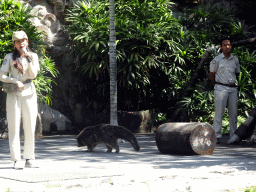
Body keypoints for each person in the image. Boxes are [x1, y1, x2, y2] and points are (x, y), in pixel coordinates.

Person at [0, 31, 40, 169]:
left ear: (27, 41)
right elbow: (2, 76)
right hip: (14, 94)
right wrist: (15, 81)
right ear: (14, 43)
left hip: (29, 92)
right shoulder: (10, 57)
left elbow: (34, 75)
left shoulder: (33, 56)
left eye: (23, 40)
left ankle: (29, 157)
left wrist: (29, 59)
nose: (20, 43)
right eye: (17, 41)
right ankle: (16, 159)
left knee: (30, 126)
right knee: (14, 126)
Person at [209, 37, 241, 144]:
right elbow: (211, 74)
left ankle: (233, 136)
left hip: (232, 88)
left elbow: (237, 72)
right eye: (225, 45)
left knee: (233, 114)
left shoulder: (235, 59)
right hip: (220, 88)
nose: (227, 47)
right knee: (219, 113)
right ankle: (217, 136)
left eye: (229, 45)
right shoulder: (216, 60)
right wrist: (217, 84)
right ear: (221, 47)